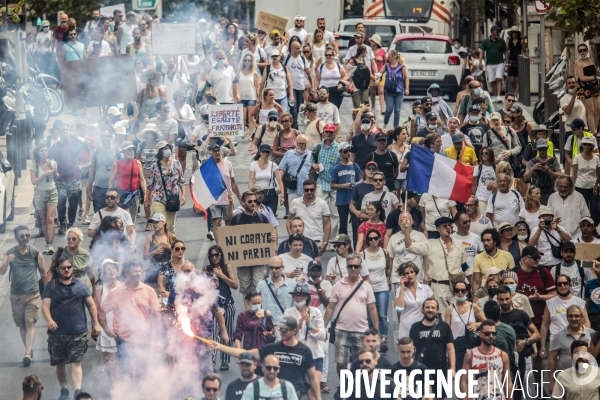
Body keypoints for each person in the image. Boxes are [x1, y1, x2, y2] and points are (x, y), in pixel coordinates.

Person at [213, 315, 323, 400]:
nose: (281, 332)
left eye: (285, 330)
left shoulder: (304, 350)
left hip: (298, 393)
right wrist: (220, 346)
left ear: (294, 330)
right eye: (280, 329)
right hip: (278, 393)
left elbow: (312, 377)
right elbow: (245, 353)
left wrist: (318, 398)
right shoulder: (272, 348)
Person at [42, 256, 100, 400]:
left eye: (69, 267)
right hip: (57, 332)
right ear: (58, 269)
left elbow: (91, 305)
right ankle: (64, 389)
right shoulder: (52, 286)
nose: (67, 270)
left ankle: (78, 391)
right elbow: (45, 306)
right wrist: (49, 320)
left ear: (72, 268)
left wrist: (96, 323)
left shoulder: (80, 284)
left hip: (77, 330)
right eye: (63, 268)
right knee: (60, 362)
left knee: (76, 361)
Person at [323, 253, 378, 378]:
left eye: (356, 266)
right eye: (350, 266)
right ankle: (345, 385)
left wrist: (375, 330)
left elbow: (373, 309)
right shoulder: (337, 286)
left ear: (360, 268)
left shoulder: (366, 286)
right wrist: (324, 327)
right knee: (341, 363)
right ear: (347, 268)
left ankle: (359, 387)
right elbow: (330, 307)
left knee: (361, 363)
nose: (353, 269)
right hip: (341, 330)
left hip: (361, 331)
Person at [0, 226, 47, 366]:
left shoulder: (35, 253)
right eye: (22, 236)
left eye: (27, 235)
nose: (25, 238)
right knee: (21, 325)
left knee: (30, 322)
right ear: (16, 238)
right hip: (16, 295)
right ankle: (29, 350)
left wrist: (47, 292)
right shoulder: (9, 253)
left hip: (32, 293)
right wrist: (6, 261)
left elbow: (43, 273)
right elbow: (2, 272)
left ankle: (27, 353)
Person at [496, 285, 540, 399]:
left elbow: (536, 334)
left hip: (518, 358)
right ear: (497, 300)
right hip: (500, 357)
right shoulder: (496, 316)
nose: (505, 302)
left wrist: (526, 341)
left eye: (507, 299)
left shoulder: (521, 314)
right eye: (501, 299)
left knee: (518, 387)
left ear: (511, 298)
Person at [409, 298, 455, 397]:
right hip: (421, 370)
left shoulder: (444, 326)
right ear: (422, 309)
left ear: (437, 310)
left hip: (440, 369)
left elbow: (450, 348)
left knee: (440, 397)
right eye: (427, 307)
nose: (430, 309)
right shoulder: (415, 327)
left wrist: (452, 368)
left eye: (433, 307)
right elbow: (410, 350)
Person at [282, 282, 326, 383]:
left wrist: (310, 326)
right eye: (296, 296)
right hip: (295, 355)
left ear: (307, 297)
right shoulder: (288, 312)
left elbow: (323, 335)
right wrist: (298, 327)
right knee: (295, 389)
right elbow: (284, 336)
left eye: (301, 296)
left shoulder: (316, 312)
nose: (298, 298)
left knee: (314, 391)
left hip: (315, 355)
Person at [460, 320, 513, 399]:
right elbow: (464, 381)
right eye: (487, 334)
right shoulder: (470, 355)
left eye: (494, 333)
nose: (491, 336)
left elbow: (507, 381)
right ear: (480, 334)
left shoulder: (503, 355)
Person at [49, 122, 86, 235]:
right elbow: (49, 159)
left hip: (73, 177)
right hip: (60, 179)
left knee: (73, 201)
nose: (65, 132)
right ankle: (62, 223)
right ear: (59, 133)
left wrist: (75, 136)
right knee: (61, 201)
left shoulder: (75, 143)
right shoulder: (55, 146)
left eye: (66, 130)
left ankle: (71, 223)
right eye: (62, 130)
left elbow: (87, 145)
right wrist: (54, 168)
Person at [548, 304, 594, 392]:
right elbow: (552, 360)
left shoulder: (592, 334)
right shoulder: (558, 336)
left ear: (582, 317)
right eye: (570, 316)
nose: (573, 319)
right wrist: (551, 381)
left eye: (577, 316)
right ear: (567, 318)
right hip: (565, 381)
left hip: (588, 380)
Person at [540, 274, 589, 354]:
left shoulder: (580, 302)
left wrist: (586, 340)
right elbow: (545, 325)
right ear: (556, 286)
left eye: (565, 283)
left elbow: (586, 322)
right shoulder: (549, 303)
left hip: (576, 339)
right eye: (559, 284)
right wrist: (543, 345)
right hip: (556, 341)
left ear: (570, 285)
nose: (562, 286)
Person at [145, 141, 186, 233]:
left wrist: (183, 195)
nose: (167, 150)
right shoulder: (155, 166)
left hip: (173, 199)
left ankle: (170, 245)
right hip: (158, 198)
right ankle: (162, 245)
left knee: (170, 227)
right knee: (161, 224)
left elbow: (182, 182)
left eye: (168, 148)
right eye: (164, 149)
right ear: (160, 152)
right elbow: (150, 185)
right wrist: (147, 200)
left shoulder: (176, 164)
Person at [92, 259, 121, 385]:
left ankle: (127, 383)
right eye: (108, 269)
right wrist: (95, 325)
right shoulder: (100, 290)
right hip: (106, 328)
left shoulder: (124, 286)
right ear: (103, 272)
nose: (111, 270)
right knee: (110, 360)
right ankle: (114, 384)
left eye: (113, 268)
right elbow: (95, 309)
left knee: (126, 358)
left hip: (123, 328)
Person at [287, 179, 331, 254]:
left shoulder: (322, 204)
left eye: (311, 190)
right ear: (303, 190)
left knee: (314, 265)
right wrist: (292, 236)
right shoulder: (295, 202)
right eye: (306, 190)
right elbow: (289, 220)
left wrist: (325, 243)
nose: (309, 192)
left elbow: (328, 224)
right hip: (300, 241)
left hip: (317, 241)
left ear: (315, 190)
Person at [312, 123, 339, 241]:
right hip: (321, 181)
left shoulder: (339, 148)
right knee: (319, 210)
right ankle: (320, 237)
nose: (328, 134)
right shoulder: (317, 146)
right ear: (323, 134)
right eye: (326, 132)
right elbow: (311, 159)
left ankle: (332, 240)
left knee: (334, 213)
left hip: (335, 184)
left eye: (330, 132)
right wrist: (315, 165)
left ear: (334, 134)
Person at [107, 141, 146, 223]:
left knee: (132, 219)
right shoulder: (117, 164)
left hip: (134, 195)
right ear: (123, 151)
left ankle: (131, 234)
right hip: (121, 195)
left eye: (132, 149)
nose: (131, 151)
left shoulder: (137, 163)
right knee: (121, 218)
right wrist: (111, 195)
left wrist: (145, 195)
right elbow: (111, 180)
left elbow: (142, 180)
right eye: (129, 149)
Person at [30, 143, 58, 254]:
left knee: (50, 219)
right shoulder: (34, 165)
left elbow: (57, 177)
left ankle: (51, 245)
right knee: (44, 219)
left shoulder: (52, 163)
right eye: (42, 151)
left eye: (46, 151)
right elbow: (33, 181)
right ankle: (47, 242)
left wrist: (55, 172)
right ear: (38, 153)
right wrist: (45, 174)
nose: (44, 153)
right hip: (40, 193)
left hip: (52, 191)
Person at [394, 261, 434, 338]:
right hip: (406, 330)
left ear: (415, 273)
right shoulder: (400, 290)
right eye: (407, 273)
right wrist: (402, 287)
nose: (410, 275)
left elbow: (434, 308)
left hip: (424, 329)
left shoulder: (425, 288)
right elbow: (399, 309)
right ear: (402, 275)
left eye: (412, 272)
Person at [256, 256, 295, 330]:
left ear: (282, 267)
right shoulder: (261, 285)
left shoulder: (293, 285)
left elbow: (295, 307)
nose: (274, 270)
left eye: (277, 268)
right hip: (266, 327)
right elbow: (257, 306)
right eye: (271, 268)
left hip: (286, 326)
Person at [330, 142, 362, 236]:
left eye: (349, 151)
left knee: (356, 224)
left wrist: (355, 184)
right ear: (340, 153)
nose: (348, 153)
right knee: (343, 225)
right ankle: (343, 245)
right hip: (342, 200)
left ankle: (356, 245)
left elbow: (361, 180)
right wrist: (344, 186)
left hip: (354, 200)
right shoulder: (336, 168)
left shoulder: (355, 166)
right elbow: (332, 185)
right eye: (345, 151)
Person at [278, 135, 312, 217]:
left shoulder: (312, 155)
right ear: (296, 143)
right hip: (293, 189)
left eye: (303, 143)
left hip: (307, 189)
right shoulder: (289, 154)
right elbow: (281, 169)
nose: (301, 145)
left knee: (307, 214)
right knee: (293, 213)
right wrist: (278, 183)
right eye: (299, 143)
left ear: (307, 144)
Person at [523, 139, 561, 204]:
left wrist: (548, 171)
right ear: (537, 149)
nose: (542, 151)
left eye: (544, 149)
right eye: (540, 149)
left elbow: (560, 176)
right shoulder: (532, 161)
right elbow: (526, 178)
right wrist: (533, 168)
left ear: (547, 148)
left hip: (550, 191)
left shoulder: (553, 160)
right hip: (536, 192)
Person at [284, 40, 312, 129]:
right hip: (290, 87)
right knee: (293, 106)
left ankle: (292, 124)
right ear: (291, 48)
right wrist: (282, 44)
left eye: (300, 48)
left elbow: (309, 73)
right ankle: (295, 126)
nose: (299, 50)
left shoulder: (303, 59)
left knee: (298, 107)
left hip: (301, 87)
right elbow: (276, 52)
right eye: (297, 48)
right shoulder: (286, 57)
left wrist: (312, 86)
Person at [574, 43, 600, 134]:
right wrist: (595, 78)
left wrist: (597, 74)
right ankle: (593, 132)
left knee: (598, 109)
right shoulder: (578, 63)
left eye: (584, 50)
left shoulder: (591, 59)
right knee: (591, 110)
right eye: (580, 51)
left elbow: (596, 70)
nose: (582, 52)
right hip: (584, 87)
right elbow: (582, 78)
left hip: (594, 86)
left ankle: (595, 130)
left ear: (587, 51)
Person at [349, 161, 377, 246]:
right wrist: (356, 212)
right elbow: (351, 204)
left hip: (375, 220)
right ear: (364, 170)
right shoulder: (358, 186)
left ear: (377, 170)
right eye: (369, 168)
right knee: (358, 244)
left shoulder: (379, 186)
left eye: (373, 168)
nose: (371, 170)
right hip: (360, 220)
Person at [571, 135, 600, 215]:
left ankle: (594, 224)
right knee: (583, 208)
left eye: (589, 144)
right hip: (580, 186)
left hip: (593, 186)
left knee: (595, 208)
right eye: (585, 144)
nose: (587, 146)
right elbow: (574, 173)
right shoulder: (577, 158)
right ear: (582, 145)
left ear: (592, 146)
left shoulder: (596, 158)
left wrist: (597, 185)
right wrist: (572, 187)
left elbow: (598, 173)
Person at [451, 211, 484, 281]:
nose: (468, 224)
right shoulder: (451, 238)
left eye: (469, 221)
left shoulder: (476, 237)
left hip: (474, 277)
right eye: (465, 222)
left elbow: (482, 255)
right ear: (457, 223)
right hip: (458, 278)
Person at [479, 25, 507, 102]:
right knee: (492, 80)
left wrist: (507, 63)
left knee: (498, 78)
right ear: (492, 32)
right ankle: (494, 96)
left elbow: (505, 52)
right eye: (496, 31)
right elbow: (481, 51)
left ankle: (498, 95)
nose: (498, 33)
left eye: (498, 31)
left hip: (499, 62)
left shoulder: (501, 41)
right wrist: (480, 62)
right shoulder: (486, 41)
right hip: (489, 63)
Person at [506, 26, 529, 95]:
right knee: (512, 80)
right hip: (511, 61)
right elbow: (506, 52)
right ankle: (517, 90)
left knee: (517, 79)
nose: (514, 34)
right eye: (513, 32)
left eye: (515, 32)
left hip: (518, 61)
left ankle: (516, 93)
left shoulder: (521, 41)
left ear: (518, 33)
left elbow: (524, 51)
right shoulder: (508, 41)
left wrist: (529, 57)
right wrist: (506, 63)